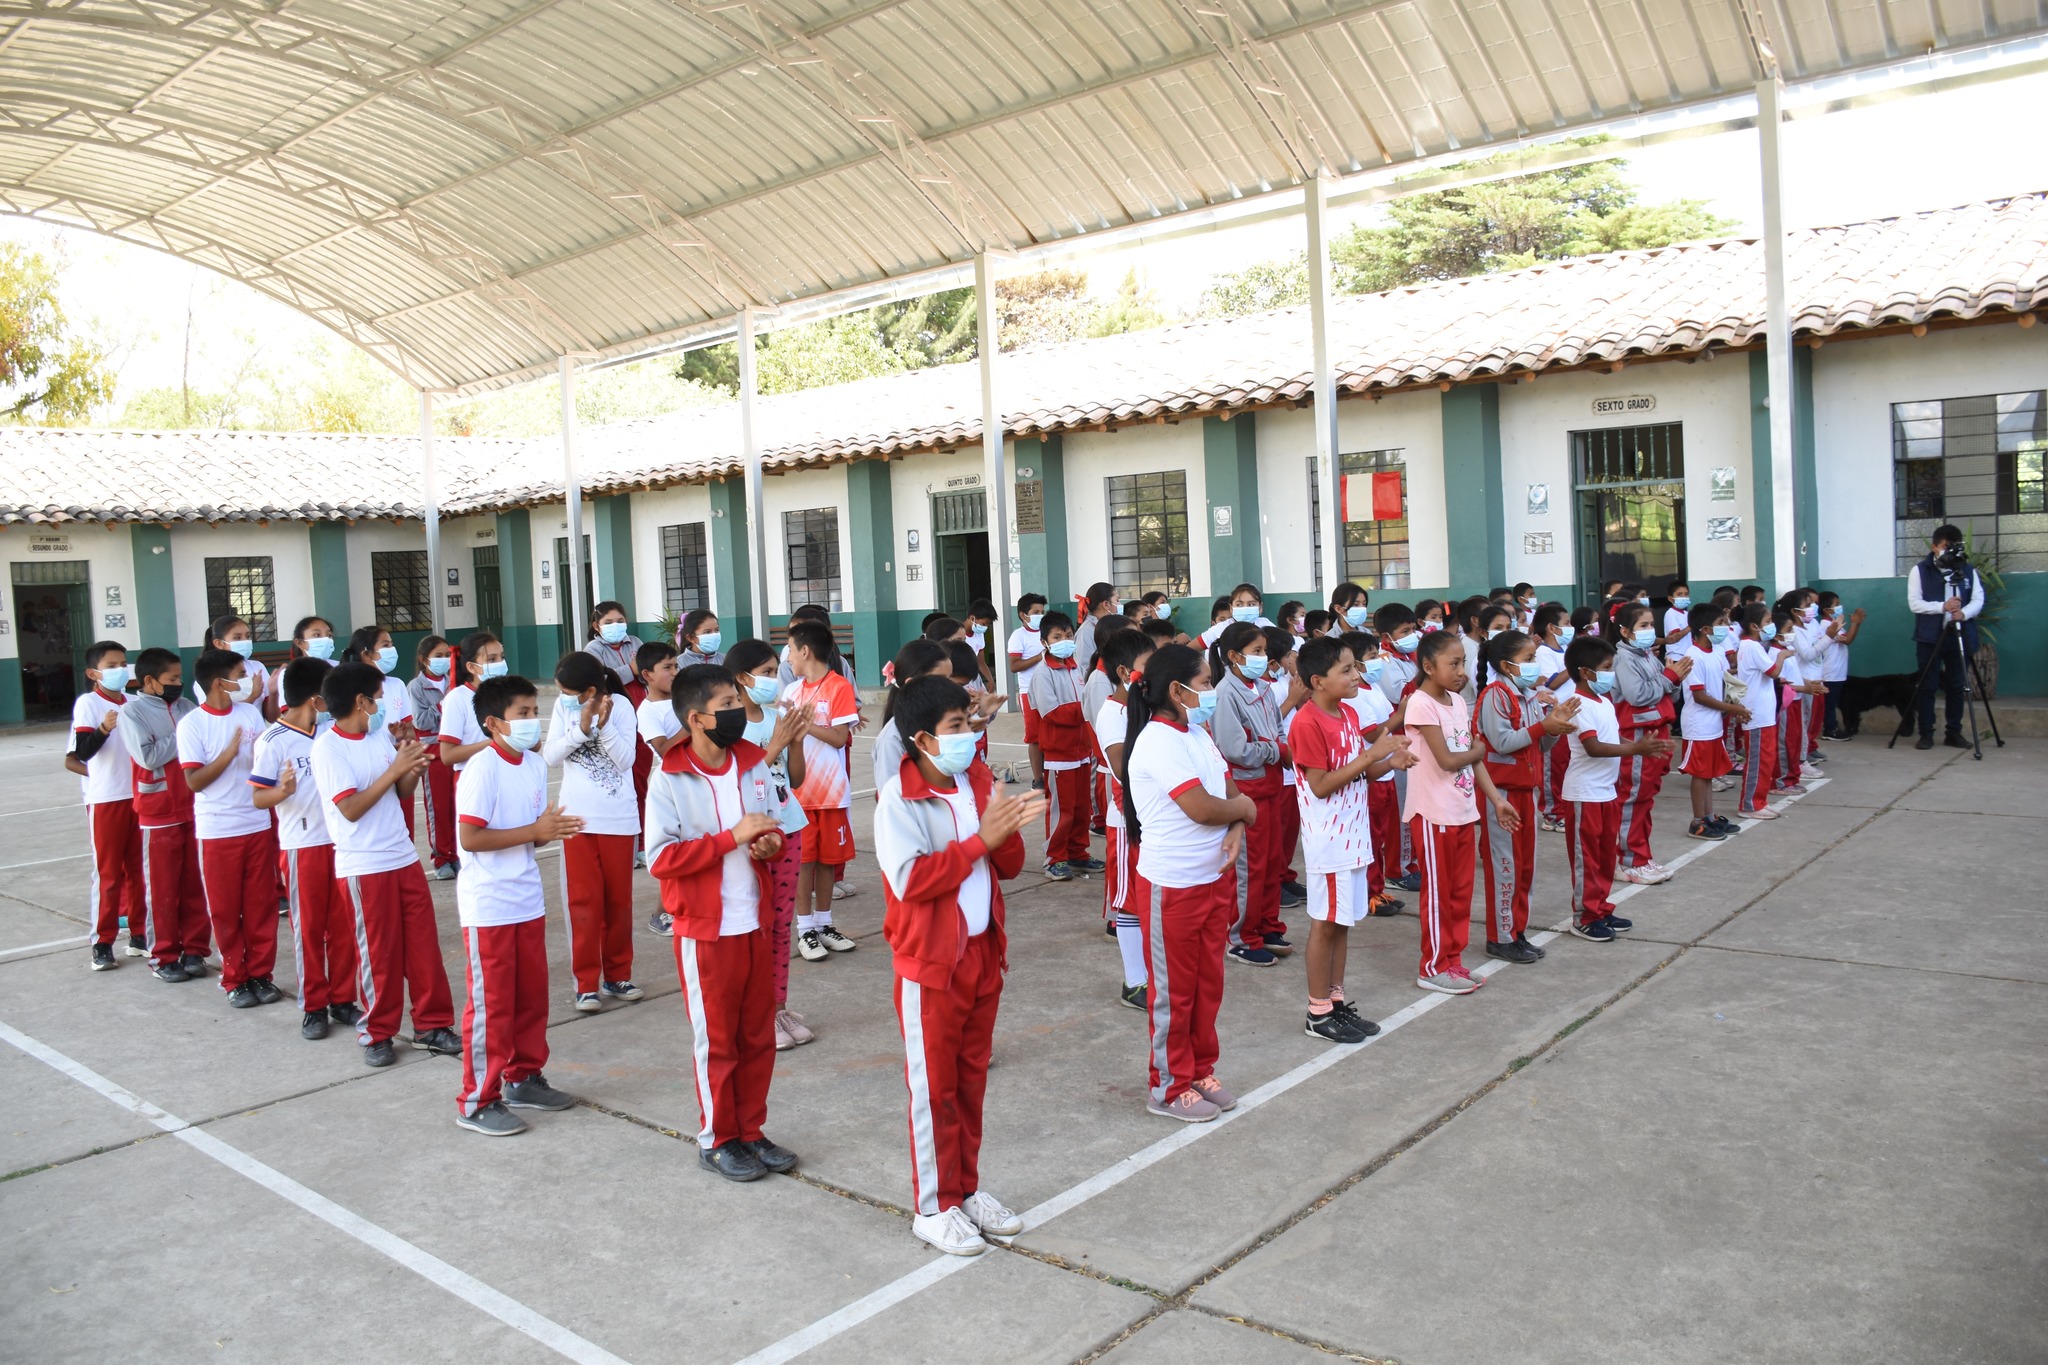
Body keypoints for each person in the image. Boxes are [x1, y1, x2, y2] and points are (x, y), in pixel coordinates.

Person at [875, 675, 1041, 1256]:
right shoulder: (900, 799)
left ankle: (965, 1190)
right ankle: (932, 1205)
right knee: (933, 1089)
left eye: (970, 725)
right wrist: (980, 841)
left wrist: (1008, 826)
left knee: (970, 1082)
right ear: (923, 738)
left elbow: (1011, 867)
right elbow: (911, 881)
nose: (968, 736)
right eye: (956, 727)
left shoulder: (976, 780)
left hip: (980, 953)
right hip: (931, 965)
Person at [647, 664, 796, 1182]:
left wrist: (769, 845)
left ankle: (751, 1130)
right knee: (718, 1042)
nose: (738, 711)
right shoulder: (668, 776)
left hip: (752, 919)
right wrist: (730, 838)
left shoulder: (752, 763)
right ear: (696, 718)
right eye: (727, 705)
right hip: (705, 930)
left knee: (757, 1036)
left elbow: (770, 830)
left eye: (738, 700)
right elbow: (661, 858)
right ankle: (718, 1138)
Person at [1123, 644, 1254, 1123]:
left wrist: (1239, 821)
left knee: (1207, 985)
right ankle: (1167, 1085)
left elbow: (1231, 793)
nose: (1211, 692)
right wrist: (1242, 813)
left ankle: (1200, 1069)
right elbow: (1201, 808)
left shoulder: (1196, 734)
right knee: (1174, 991)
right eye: (1204, 683)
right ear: (1177, 691)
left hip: (1211, 880)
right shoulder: (1159, 741)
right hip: (1172, 885)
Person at [453, 673, 582, 1136]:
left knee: (531, 999)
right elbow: (470, 837)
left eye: (534, 711)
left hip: (526, 898)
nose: (533, 720)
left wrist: (549, 825)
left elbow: (531, 826)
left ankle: (523, 1076)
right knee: (492, 1006)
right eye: (523, 714)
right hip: (489, 905)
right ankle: (476, 1100)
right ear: (493, 723)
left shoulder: (530, 765)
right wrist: (535, 832)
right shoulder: (481, 769)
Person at [312, 661, 459, 1067]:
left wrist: (410, 765)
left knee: (423, 947)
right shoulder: (329, 747)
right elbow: (350, 808)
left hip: (401, 856)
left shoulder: (377, 738)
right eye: (376, 698)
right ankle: (377, 1031)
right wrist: (395, 767)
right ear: (360, 701)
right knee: (379, 953)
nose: (382, 705)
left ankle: (433, 1024)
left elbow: (399, 792)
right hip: (364, 864)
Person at [1289, 637, 1414, 1041]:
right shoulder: (1307, 722)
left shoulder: (1344, 713)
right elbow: (1321, 785)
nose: (1356, 674)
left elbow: (1356, 771)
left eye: (1354, 667)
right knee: (1325, 924)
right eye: (1345, 669)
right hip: (1329, 841)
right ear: (1317, 681)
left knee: (1342, 924)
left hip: (1353, 837)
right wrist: (1370, 756)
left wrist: (1387, 762)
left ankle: (1336, 1001)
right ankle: (1317, 1012)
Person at [1403, 631, 1516, 995]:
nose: (1460, 670)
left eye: (1463, 662)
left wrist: (1496, 800)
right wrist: (1477, 751)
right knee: (1438, 894)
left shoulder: (1456, 701)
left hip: (1463, 811)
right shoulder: (1420, 703)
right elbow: (1450, 759)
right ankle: (1433, 965)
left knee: (1461, 893)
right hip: (1434, 815)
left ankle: (1453, 960)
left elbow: (1471, 761)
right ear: (1427, 666)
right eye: (1453, 664)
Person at [251, 657, 358, 1040]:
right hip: (303, 845)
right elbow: (258, 797)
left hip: (341, 842)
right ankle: (314, 1005)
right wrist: (282, 792)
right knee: (309, 928)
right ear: (315, 699)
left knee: (344, 925)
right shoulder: (272, 741)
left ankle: (343, 998)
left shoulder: (330, 733)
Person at [177, 648, 280, 1010]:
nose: (249, 679)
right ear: (221, 682)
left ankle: (261, 975)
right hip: (219, 830)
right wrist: (228, 752)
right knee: (225, 909)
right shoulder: (192, 724)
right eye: (241, 672)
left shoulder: (250, 713)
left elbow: (267, 758)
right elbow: (194, 781)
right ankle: (235, 978)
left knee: (261, 906)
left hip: (255, 822)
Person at [727, 639, 817, 1049]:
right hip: (754, 833)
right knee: (759, 924)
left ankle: (778, 1006)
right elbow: (740, 785)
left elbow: (794, 780)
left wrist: (794, 740)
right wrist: (777, 743)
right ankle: (758, 1012)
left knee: (782, 925)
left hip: (790, 824)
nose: (771, 680)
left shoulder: (775, 716)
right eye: (764, 673)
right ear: (742, 679)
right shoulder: (730, 726)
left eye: (772, 671)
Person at [546, 651, 644, 1013]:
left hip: (618, 820)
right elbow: (551, 755)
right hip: (577, 821)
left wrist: (602, 726)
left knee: (618, 903)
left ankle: (618, 975)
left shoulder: (620, 705)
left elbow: (625, 760)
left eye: (570, 692)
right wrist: (581, 728)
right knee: (583, 905)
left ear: (590, 690)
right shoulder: (563, 707)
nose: (565, 697)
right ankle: (586, 985)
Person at [1559, 637, 1675, 942]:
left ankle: (1601, 908)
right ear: (1586, 672)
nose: (1611, 673)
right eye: (1607, 668)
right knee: (1588, 858)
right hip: (1584, 794)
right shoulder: (1577, 704)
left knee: (1606, 856)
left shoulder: (1605, 702)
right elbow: (1594, 747)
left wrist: (1640, 748)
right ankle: (1584, 916)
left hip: (1606, 793)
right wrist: (1636, 747)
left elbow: (1612, 740)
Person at [1475, 631, 1578, 963]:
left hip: (1524, 791)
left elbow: (1539, 744)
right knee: (1505, 866)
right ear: (1507, 665)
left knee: (1525, 867)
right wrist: (1543, 727)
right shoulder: (1496, 696)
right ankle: (1501, 936)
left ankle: (1517, 931)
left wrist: (1556, 727)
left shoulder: (1530, 697)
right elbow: (1503, 741)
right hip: (1501, 794)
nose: (1535, 665)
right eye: (1529, 659)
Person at [117, 649, 210, 981]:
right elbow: (148, 756)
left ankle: (196, 950)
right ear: (149, 681)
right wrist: (184, 736)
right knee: (162, 888)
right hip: (159, 812)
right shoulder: (133, 713)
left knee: (194, 884)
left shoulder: (186, 706)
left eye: (180, 678)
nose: (178, 684)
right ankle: (164, 956)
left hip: (194, 805)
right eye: (172, 680)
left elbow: (205, 745)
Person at [1208, 621, 1286, 968]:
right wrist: (1275, 751)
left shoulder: (1264, 689)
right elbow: (1234, 748)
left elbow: (1278, 730)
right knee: (1249, 869)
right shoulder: (1226, 693)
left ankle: (1267, 924)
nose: (1263, 657)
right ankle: (1241, 936)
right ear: (1234, 656)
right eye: (1256, 652)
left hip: (1270, 786)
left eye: (1264, 651)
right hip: (1246, 789)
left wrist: (1277, 748)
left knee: (1271, 863)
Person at [782, 621, 861, 959]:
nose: (787, 658)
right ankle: (805, 931)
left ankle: (825, 923)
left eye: (789, 649)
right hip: (799, 795)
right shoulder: (790, 692)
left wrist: (806, 724)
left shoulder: (839, 686)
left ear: (805, 650)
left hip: (830, 794)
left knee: (827, 862)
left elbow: (840, 737)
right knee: (804, 863)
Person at [69, 641, 146, 970]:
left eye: (123, 664)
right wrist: (103, 728)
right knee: (108, 873)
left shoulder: (134, 702)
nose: (120, 670)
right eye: (112, 665)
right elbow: (80, 752)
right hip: (107, 799)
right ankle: (102, 942)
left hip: (138, 797)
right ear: (94, 673)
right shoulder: (88, 703)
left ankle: (141, 934)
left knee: (139, 871)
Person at [1093, 628, 1154, 1009]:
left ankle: (1150, 974)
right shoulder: (1112, 713)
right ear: (1122, 672)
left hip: (1152, 818)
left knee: (1146, 898)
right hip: (1125, 820)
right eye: (1146, 669)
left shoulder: (1143, 705)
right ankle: (1134, 981)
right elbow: (1121, 766)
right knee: (1128, 901)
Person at [1612, 602, 1686, 885]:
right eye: (1643, 626)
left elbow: (1670, 693)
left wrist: (1673, 679)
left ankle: (1641, 854)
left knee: (1646, 797)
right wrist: (1669, 678)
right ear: (1625, 631)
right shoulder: (1624, 659)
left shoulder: (1647, 656)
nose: (1649, 631)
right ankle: (1628, 860)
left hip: (1657, 732)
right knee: (1633, 797)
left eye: (1651, 625)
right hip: (1639, 736)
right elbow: (1638, 695)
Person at [1023, 610, 1096, 880]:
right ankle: (1055, 858)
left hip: (1081, 751)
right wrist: (1085, 709)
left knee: (1081, 808)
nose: (1064, 640)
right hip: (1059, 755)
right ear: (1045, 642)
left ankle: (1078, 852)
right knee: (1061, 810)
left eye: (1067, 635)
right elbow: (1051, 712)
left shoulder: (1077, 668)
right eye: (1057, 637)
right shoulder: (1043, 674)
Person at [1339, 631, 1404, 916]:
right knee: (1369, 836)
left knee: (1379, 836)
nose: (1379, 662)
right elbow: (1373, 733)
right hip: (1371, 774)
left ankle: (1377, 888)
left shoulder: (1373, 687)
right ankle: (1367, 894)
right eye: (1372, 658)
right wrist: (1402, 713)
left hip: (1386, 772)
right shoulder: (1355, 698)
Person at [1677, 604, 1747, 841]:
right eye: (1721, 624)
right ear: (1705, 629)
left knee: (1708, 773)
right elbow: (1700, 695)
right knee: (1700, 774)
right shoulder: (1692, 656)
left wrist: (1734, 704)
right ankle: (1698, 821)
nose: (1726, 628)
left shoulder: (1717, 652)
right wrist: (1731, 708)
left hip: (1714, 722)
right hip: (1699, 725)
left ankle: (1709, 816)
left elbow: (1725, 682)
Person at [1261, 623, 1309, 912]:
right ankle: (1273, 880)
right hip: (1280, 769)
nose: (1295, 660)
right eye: (1291, 655)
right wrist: (1292, 700)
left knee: (1290, 830)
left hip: (1295, 769)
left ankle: (1284, 873)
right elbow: (1267, 725)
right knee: (1276, 832)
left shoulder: (1285, 682)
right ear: (1274, 661)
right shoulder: (1266, 689)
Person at [407, 635, 460, 879]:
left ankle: (458, 853)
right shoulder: (416, 687)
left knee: (458, 803)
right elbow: (421, 721)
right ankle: (441, 858)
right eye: (438, 656)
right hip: (432, 749)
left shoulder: (454, 682)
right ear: (423, 659)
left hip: (455, 746)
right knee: (438, 806)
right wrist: (443, 705)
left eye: (446, 655)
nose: (443, 660)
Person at [1733, 604, 1786, 818]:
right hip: (1756, 714)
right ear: (1755, 626)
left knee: (1766, 759)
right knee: (1758, 761)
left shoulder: (1751, 646)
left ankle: (1760, 800)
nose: (1771, 626)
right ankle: (1750, 804)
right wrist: (1782, 655)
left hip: (1763, 713)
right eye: (1768, 622)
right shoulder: (1752, 647)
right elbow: (1773, 671)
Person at [436, 631, 506, 772]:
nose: (500, 663)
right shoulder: (457, 698)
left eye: (502, 657)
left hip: (505, 774)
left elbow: (535, 745)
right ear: (471, 667)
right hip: (473, 776)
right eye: (492, 659)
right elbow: (448, 755)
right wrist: (494, 743)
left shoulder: (509, 692)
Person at [195, 614, 275, 721]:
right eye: (237, 638)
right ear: (219, 643)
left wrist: (274, 693)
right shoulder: (208, 674)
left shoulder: (257, 667)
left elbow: (272, 718)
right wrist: (252, 697)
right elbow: (217, 716)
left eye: (247, 636)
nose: (245, 641)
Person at [1007, 592, 1049, 790]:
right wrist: (1039, 657)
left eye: (1042, 611)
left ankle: (1051, 773)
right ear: (1024, 615)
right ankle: (1038, 778)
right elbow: (1014, 666)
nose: (1041, 615)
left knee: (1052, 734)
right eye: (1036, 612)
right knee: (1035, 737)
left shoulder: (1047, 631)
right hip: (1029, 692)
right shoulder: (1019, 635)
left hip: (1050, 689)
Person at [1816, 592, 1865, 740]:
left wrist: (1857, 623)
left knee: (1834, 701)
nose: (1839, 607)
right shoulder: (1827, 625)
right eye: (1835, 605)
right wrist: (1855, 623)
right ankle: (1830, 729)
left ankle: (1833, 727)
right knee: (1829, 703)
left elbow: (1847, 639)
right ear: (1826, 609)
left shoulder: (1835, 623)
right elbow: (1847, 640)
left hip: (1838, 671)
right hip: (1830, 672)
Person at [584, 600, 645, 682]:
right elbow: (597, 679)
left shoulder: (635, 642)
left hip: (642, 694)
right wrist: (630, 670)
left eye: (620, 621)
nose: (615, 626)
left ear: (626, 622)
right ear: (596, 626)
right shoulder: (593, 649)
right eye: (608, 623)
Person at [1198, 583, 1274, 647]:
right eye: (1239, 605)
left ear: (1260, 608)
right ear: (1231, 608)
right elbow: (1191, 648)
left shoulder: (1265, 625)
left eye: (1251, 604)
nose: (1245, 608)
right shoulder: (1220, 629)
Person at [1072, 581, 1117, 675]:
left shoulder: (1106, 626)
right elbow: (1083, 668)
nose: (1119, 604)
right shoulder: (1086, 631)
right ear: (1106, 604)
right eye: (1117, 600)